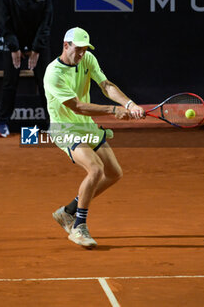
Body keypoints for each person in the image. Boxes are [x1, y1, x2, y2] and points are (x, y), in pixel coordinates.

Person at [44, 27, 144, 249]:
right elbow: (77, 106)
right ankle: (79, 227)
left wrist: (129, 104)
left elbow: (106, 85)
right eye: (77, 49)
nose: (81, 54)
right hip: (65, 128)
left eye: (84, 49)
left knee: (114, 173)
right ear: (66, 45)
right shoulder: (53, 73)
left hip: (87, 126)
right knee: (96, 169)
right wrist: (112, 111)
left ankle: (68, 212)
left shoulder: (88, 58)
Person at [0, 0, 53, 137]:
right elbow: (4, 22)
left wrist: (36, 48)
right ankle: (2, 123)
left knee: (46, 83)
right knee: (9, 82)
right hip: (16, 41)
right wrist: (14, 47)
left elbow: (46, 22)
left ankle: (55, 123)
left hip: (37, 42)